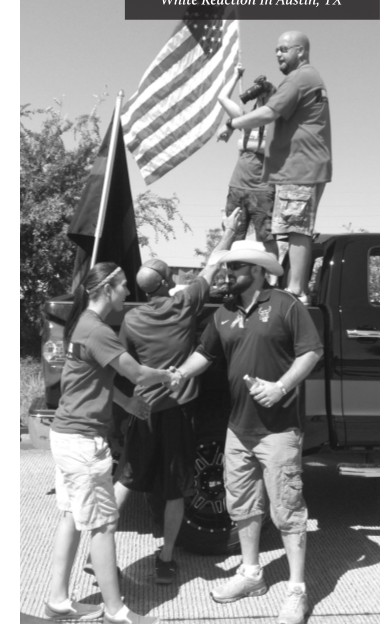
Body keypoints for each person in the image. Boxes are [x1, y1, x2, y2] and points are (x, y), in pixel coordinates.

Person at [172, 242, 323, 623]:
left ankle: (296, 591)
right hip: (238, 429)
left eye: (235, 267)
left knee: (287, 511)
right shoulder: (224, 312)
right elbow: (204, 354)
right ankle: (251, 574)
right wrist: (177, 375)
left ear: (257, 270)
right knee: (242, 507)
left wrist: (280, 387)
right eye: (226, 268)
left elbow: (311, 352)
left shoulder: (287, 305)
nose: (227, 274)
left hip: (278, 431)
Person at [111, 210, 242, 586]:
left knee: (127, 480)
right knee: (174, 490)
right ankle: (166, 561)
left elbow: (123, 366)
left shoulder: (132, 320)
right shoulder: (185, 304)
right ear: (168, 281)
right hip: (178, 412)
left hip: (144, 410)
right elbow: (214, 264)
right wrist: (230, 229)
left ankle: (96, 550)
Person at [46, 263, 176, 624]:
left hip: (67, 433)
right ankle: (116, 611)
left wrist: (126, 403)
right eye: (122, 287)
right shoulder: (99, 330)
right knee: (102, 525)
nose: (126, 294)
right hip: (83, 441)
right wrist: (169, 374)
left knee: (73, 516)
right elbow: (135, 372)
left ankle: (58, 600)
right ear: (106, 289)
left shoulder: (82, 325)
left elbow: (91, 378)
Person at [219, 32, 332, 303]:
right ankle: (293, 287)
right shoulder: (307, 78)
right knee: (294, 228)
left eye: (283, 49)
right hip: (301, 167)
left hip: (299, 166)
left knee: (295, 229)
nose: (278, 54)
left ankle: (294, 289)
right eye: (276, 50)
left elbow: (269, 113)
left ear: (301, 52)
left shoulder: (299, 78)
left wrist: (233, 124)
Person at [216, 64, 278, 258]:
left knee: (266, 238)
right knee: (232, 236)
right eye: (259, 97)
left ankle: (274, 280)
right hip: (237, 188)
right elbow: (222, 98)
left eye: (266, 97)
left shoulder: (277, 122)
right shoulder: (245, 119)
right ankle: (230, 278)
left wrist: (269, 89)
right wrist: (236, 76)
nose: (261, 99)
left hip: (262, 189)